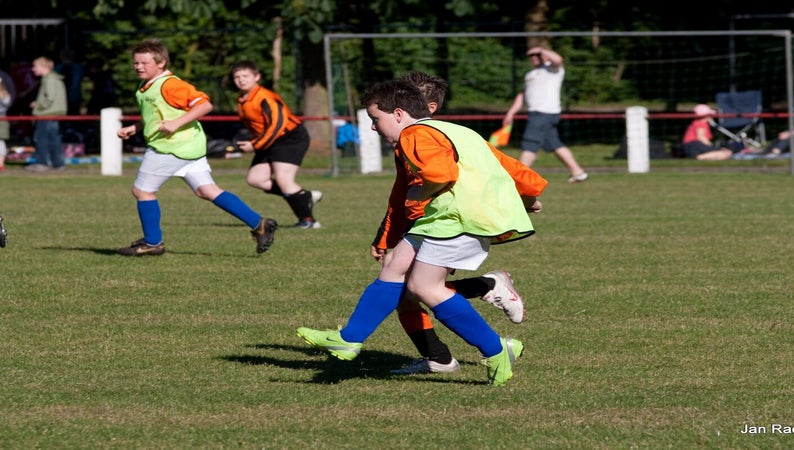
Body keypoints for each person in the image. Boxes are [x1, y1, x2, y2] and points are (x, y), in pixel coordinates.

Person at [296, 79, 546, 386]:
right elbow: (509, 167)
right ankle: (349, 339)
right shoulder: (457, 131)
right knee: (394, 266)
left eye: (376, 119)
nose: (374, 127)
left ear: (398, 114)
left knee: (424, 288)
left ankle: (496, 349)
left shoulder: (414, 134)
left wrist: (418, 194)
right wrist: (530, 198)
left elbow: (441, 175)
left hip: (455, 219)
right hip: (442, 219)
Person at [385, 71, 546, 375]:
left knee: (414, 289)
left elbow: (503, 164)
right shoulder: (408, 140)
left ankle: (487, 293)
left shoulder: (443, 137)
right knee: (407, 292)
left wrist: (529, 195)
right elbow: (400, 193)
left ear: (429, 107)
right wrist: (386, 237)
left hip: (448, 223)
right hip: (423, 223)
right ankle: (438, 357)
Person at [116, 39, 278, 256]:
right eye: (136, 63)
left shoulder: (170, 85)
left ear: (161, 63)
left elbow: (205, 105)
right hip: (189, 146)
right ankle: (259, 223)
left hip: (171, 147)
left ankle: (153, 243)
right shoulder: (148, 84)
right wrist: (136, 127)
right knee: (207, 190)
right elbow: (158, 114)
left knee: (142, 191)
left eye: (144, 63)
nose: (138, 67)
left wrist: (175, 124)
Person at [229, 60, 322, 229]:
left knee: (284, 180)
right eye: (237, 77)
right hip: (269, 141)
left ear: (257, 77)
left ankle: (308, 221)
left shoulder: (265, 97)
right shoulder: (242, 99)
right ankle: (304, 196)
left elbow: (277, 125)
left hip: (289, 137)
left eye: (245, 76)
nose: (241, 80)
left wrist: (255, 145)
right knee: (256, 179)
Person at [502, 46, 588, 183]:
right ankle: (578, 172)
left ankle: (517, 178)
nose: (535, 57)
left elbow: (558, 59)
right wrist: (511, 112)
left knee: (530, 144)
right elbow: (522, 95)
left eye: (538, 55)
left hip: (544, 113)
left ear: (546, 55)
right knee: (555, 145)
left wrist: (541, 49)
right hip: (536, 113)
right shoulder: (530, 74)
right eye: (532, 56)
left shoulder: (553, 69)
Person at [25, 57, 67, 172]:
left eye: (35, 66)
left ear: (44, 67)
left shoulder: (49, 80)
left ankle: (42, 162)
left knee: (41, 138)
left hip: (47, 114)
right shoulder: (53, 79)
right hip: (53, 113)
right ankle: (57, 163)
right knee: (53, 139)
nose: (33, 69)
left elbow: (50, 98)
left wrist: (38, 106)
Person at [0, 68, 15, 171]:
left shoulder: (4, 96)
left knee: (0, 142)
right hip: (3, 119)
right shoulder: (6, 96)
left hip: (1, 120)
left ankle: (0, 162)